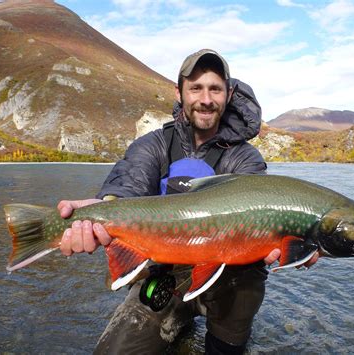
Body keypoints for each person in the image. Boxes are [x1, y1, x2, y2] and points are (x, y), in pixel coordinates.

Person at [58, 49, 282, 354]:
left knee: (244, 288)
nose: (206, 99)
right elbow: (127, 187)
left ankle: (225, 340)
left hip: (228, 279)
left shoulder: (245, 158)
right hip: (164, 277)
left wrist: (294, 242)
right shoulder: (153, 145)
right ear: (179, 93)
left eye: (215, 89)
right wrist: (102, 209)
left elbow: (264, 213)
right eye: (196, 88)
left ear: (228, 95)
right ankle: (180, 315)